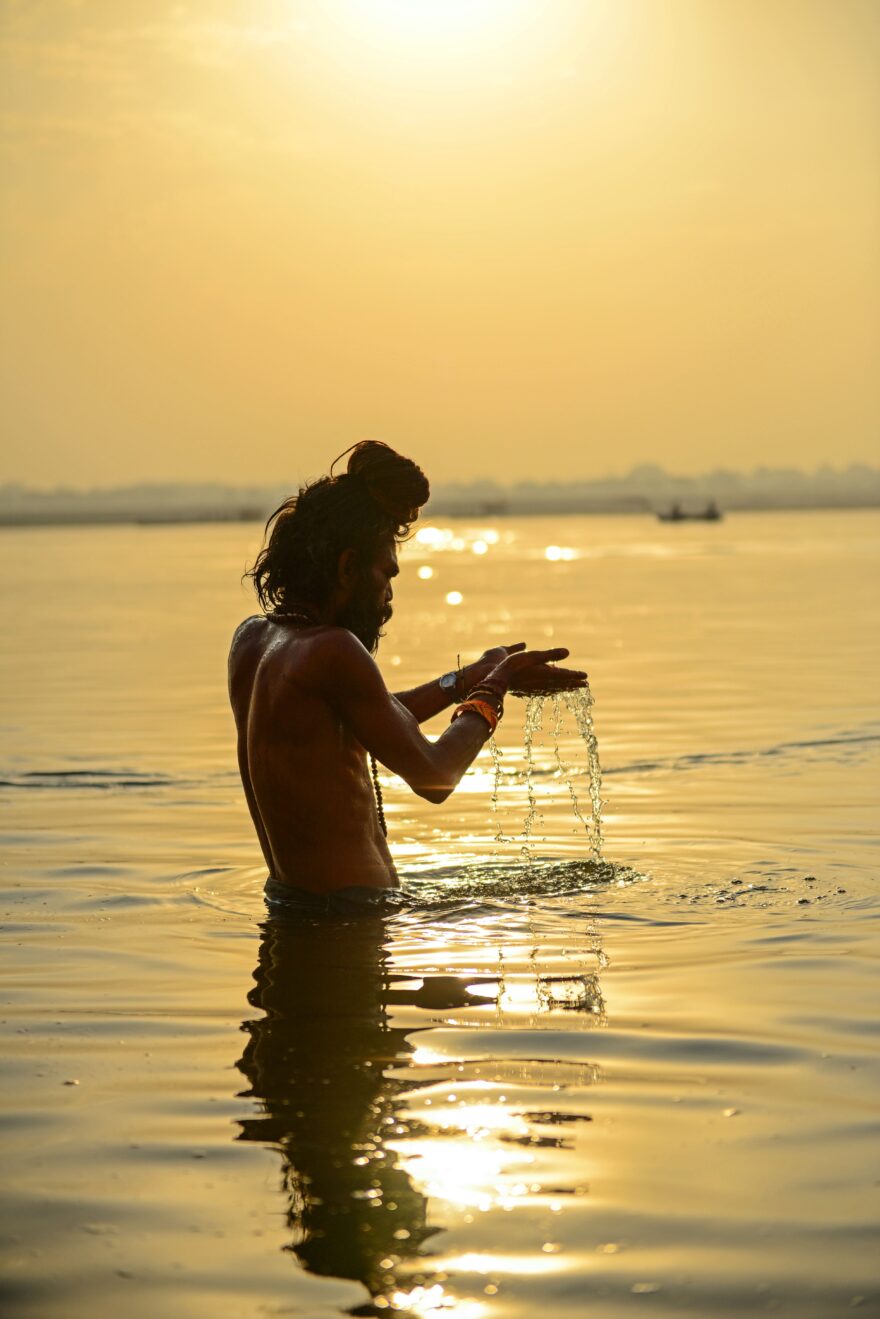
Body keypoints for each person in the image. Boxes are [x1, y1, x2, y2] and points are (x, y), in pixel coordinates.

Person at [228, 441, 586, 899]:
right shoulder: (333, 650)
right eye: (387, 574)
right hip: (350, 924)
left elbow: (366, 718)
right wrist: (496, 688)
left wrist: (465, 680)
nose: (389, 596)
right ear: (347, 568)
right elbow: (435, 776)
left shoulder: (252, 641)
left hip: (299, 911)